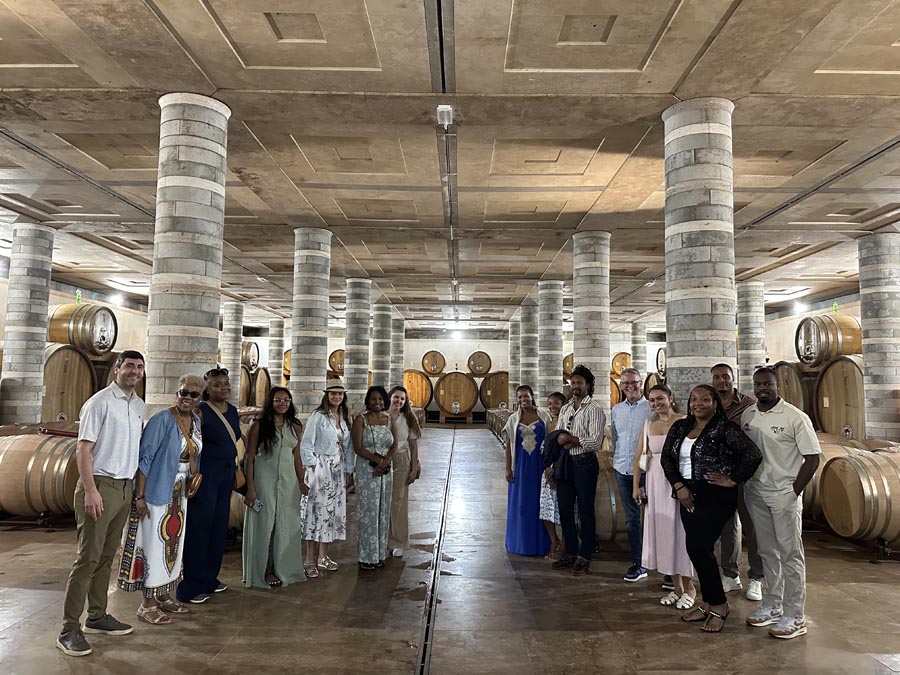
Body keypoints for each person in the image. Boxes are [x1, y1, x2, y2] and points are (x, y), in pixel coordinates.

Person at [58, 350, 145, 657]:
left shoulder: (138, 404)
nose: (134, 371)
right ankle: (69, 629)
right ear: (116, 369)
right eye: (129, 366)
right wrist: (91, 490)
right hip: (100, 485)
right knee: (87, 559)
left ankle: (97, 615)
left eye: (139, 367)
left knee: (107, 556)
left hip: (123, 487)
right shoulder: (100, 402)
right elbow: (83, 450)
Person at [660, 384, 762, 633]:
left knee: (699, 548)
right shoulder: (680, 427)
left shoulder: (725, 429)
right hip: (686, 494)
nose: (698, 403)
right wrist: (678, 486)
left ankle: (719, 604)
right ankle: (708, 602)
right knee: (695, 549)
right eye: (694, 399)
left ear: (715, 403)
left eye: (705, 399)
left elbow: (752, 454)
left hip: (715, 496)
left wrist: (733, 479)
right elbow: (666, 458)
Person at [117, 374, 204, 624]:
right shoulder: (162, 419)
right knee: (154, 545)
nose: (187, 398)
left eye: (193, 394)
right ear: (177, 393)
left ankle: (164, 595)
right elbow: (145, 459)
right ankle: (147, 604)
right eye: (183, 392)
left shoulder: (196, 420)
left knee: (173, 544)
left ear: (199, 398)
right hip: (157, 491)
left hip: (179, 493)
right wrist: (140, 497)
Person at [742, 367, 821, 639]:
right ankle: (773, 603)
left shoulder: (795, 417)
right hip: (756, 492)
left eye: (768, 384)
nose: (762, 388)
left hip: (783, 494)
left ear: (778, 386)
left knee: (790, 554)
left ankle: (795, 615)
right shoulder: (749, 415)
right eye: (758, 384)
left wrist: (793, 491)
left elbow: (812, 458)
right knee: (767, 551)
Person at [177, 367, 240, 604]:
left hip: (225, 474)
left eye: (225, 383)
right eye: (217, 385)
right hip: (206, 475)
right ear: (207, 389)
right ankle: (190, 586)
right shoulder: (201, 411)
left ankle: (209, 578)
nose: (223, 388)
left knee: (218, 527)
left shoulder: (232, 411)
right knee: (200, 527)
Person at [632, 384, 696, 609]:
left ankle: (690, 587)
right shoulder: (648, 424)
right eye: (652, 400)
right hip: (655, 482)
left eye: (660, 398)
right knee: (664, 533)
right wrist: (636, 487)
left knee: (682, 533)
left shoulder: (685, 421)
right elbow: (638, 457)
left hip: (679, 481)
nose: (656, 403)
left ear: (670, 398)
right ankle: (676, 587)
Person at [242, 386, 307, 588]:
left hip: (289, 483)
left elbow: (297, 457)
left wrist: (301, 481)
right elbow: (249, 458)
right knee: (264, 525)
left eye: (286, 400)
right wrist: (250, 487)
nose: (282, 404)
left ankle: (283, 568)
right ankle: (264, 570)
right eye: (278, 400)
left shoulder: (295, 426)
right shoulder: (259, 426)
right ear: (270, 402)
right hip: (264, 480)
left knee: (287, 525)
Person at [710, 363, 764, 601]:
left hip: (745, 474)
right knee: (727, 526)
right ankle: (730, 575)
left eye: (725, 377)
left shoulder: (749, 406)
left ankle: (756, 577)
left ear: (733, 378)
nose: (721, 381)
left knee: (752, 527)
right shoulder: (710, 405)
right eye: (717, 377)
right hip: (720, 475)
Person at [553, 365, 606, 576]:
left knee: (585, 511)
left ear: (588, 385)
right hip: (565, 462)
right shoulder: (566, 408)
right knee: (565, 510)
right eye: (573, 382)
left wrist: (571, 439)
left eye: (579, 383)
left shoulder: (594, 409)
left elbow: (595, 442)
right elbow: (559, 434)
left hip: (585, 464)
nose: (575, 386)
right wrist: (562, 441)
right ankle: (571, 553)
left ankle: (585, 557)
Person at [300, 379, 355, 575]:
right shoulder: (318, 416)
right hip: (321, 468)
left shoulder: (343, 417)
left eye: (340, 394)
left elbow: (348, 447)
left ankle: (323, 557)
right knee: (315, 512)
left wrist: (349, 470)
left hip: (337, 470)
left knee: (331, 513)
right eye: (333, 393)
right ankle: (309, 560)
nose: (336, 397)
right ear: (327, 395)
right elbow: (306, 443)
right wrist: (314, 467)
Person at [610, 367, 652, 582]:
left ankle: (665, 567)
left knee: (656, 518)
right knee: (632, 519)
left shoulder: (651, 408)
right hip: (623, 469)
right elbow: (616, 438)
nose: (630, 386)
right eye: (625, 383)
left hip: (648, 471)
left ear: (640, 383)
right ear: (621, 385)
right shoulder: (617, 410)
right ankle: (639, 563)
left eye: (633, 382)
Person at [502, 385, 552, 556]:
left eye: (526, 396)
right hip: (520, 467)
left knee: (539, 504)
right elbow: (509, 445)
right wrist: (508, 468)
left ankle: (540, 544)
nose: (523, 400)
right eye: (520, 397)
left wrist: (550, 466)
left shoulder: (543, 416)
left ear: (532, 396)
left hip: (539, 466)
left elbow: (550, 441)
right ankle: (520, 543)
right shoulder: (513, 419)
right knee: (521, 504)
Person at [352, 386, 398, 571]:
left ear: (385, 401)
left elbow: (394, 445)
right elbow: (357, 447)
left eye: (380, 399)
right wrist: (378, 461)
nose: (377, 402)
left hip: (385, 471)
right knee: (368, 512)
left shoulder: (389, 420)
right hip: (367, 470)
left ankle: (379, 554)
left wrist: (385, 462)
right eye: (373, 399)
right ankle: (366, 556)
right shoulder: (361, 420)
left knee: (382, 511)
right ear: (368, 401)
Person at [387, 385, 422, 558]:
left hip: (401, 459)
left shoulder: (408, 418)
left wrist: (414, 468)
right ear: (390, 397)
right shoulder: (381, 416)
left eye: (402, 398)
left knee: (398, 502)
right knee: (382, 501)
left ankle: (398, 541)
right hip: (381, 460)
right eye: (396, 397)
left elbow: (413, 446)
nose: (399, 401)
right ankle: (382, 539)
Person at [540, 392, 567, 560]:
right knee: (545, 509)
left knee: (564, 510)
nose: (552, 407)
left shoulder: (568, 423)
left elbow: (566, 450)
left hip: (563, 471)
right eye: (550, 404)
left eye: (556, 403)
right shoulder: (548, 424)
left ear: (563, 404)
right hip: (547, 471)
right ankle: (553, 540)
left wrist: (555, 470)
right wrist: (547, 469)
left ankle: (564, 544)